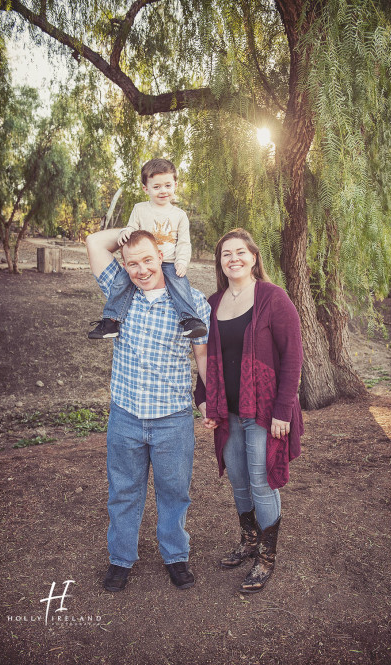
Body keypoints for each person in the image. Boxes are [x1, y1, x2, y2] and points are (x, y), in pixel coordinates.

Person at [86, 228, 210, 592]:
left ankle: (175, 556)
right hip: (126, 416)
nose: (140, 270)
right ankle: (120, 560)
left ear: (162, 258)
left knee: (174, 491)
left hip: (173, 418)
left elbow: (201, 354)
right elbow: (95, 243)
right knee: (124, 491)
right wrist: (124, 234)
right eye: (132, 263)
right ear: (123, 266)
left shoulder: (191, 302)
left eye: (148, 260)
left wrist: (210, 402)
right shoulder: (119, 294)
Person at [194, 228, 304, 594]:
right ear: (220, 261)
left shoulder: (273, 298)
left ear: (254, 257)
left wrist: (283, 411)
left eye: (240, 252)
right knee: (239, 478)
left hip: (264, 410)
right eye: (226, 253)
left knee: (261, 479)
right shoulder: (212, 303)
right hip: (228, 411)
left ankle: (266, 558)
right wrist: (203, 399)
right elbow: (207, 357)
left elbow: (293, 357)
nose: (233, 258)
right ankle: (249, 538)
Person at [88, 158, 207, 340]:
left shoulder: (180, 215)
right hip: (143, 260)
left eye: (167, 185)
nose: (163, 191)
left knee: (180, 284)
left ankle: (190, 320)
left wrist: (182, 261)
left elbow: (184, 243)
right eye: (157, 186)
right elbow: (131, 227)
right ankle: (111, 321)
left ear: (175, 185)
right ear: (146, 188)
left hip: (168, 261)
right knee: (121, 282)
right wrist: (126, 232)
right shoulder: (140, 209)